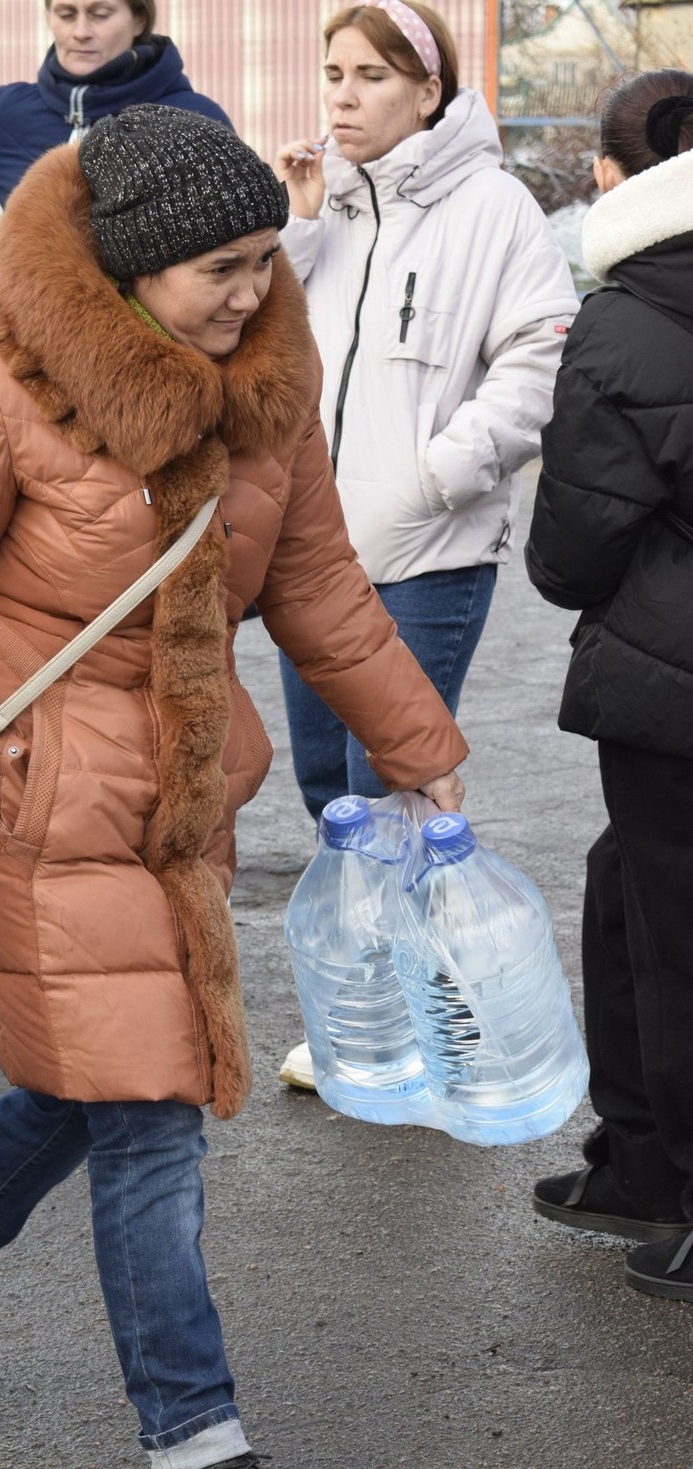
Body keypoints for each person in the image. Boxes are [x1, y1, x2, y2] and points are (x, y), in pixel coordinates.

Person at [0, 105, 467, 1469]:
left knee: (104, 1067)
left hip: (184, 798)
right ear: (129, 269)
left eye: (265, 260)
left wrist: (421, 751)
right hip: (34, 799)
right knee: (151, 1105)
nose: (249, 291)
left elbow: (327, 591)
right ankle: (195, 1441)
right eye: (219, 266)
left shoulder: (269, 388)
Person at [270, 0, 576, 1091]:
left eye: (369, 77)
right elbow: (262, 346)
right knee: (329, 789)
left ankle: (423, 1030)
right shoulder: (331, 206)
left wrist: (443, 473)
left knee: (393, 789)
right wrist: (298, 225)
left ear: (428, 92)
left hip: (426, 557)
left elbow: (540, 358)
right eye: (333, 72)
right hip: (309, 558)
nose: (342, 97)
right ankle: (396, 1012)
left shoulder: (495, 207)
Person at [525, 71, 693, 1303]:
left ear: (608, 182)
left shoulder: (623, 318)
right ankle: (637, 1156)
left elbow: (571, 549)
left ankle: (677, 1190)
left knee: (673, 935)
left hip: (670, 684)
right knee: (621, 890)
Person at [0, 0, 229, 310]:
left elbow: (241, 248)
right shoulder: (6, 115)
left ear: (140, 20)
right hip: (35, 350)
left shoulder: (195, 118)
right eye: (66, 13)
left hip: (168, 354)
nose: (81, 31)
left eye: (101, 14)